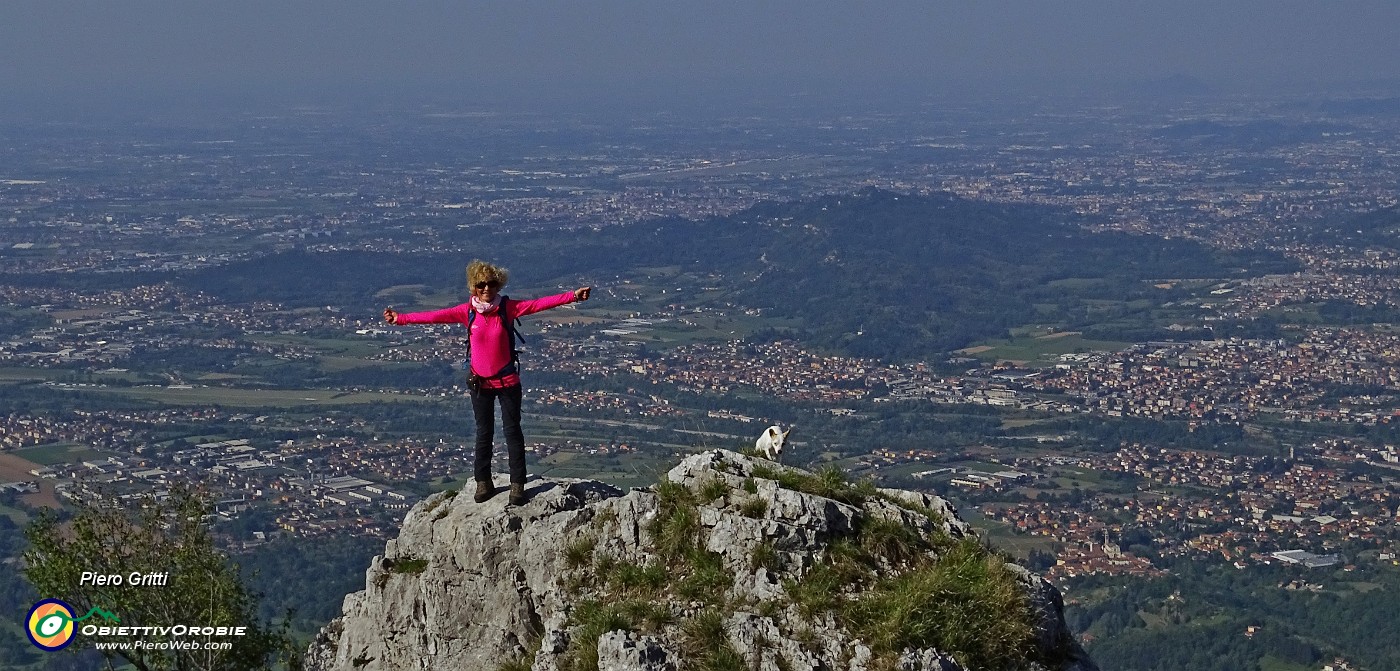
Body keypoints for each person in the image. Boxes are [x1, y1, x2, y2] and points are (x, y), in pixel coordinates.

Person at [383, 260, 591, 506]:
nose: (486, 289)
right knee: (484, 433)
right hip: (480, 384)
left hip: (508, 382)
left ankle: (517, 485)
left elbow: (538, 304)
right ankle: (483, 482)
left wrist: (573, 296)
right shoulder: (467, 311)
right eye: (481, 284)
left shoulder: (507, 308)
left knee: (513, 432)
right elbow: (433, 316)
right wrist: (401, 319)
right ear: (473, 286)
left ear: (498, 285)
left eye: (491, 284)